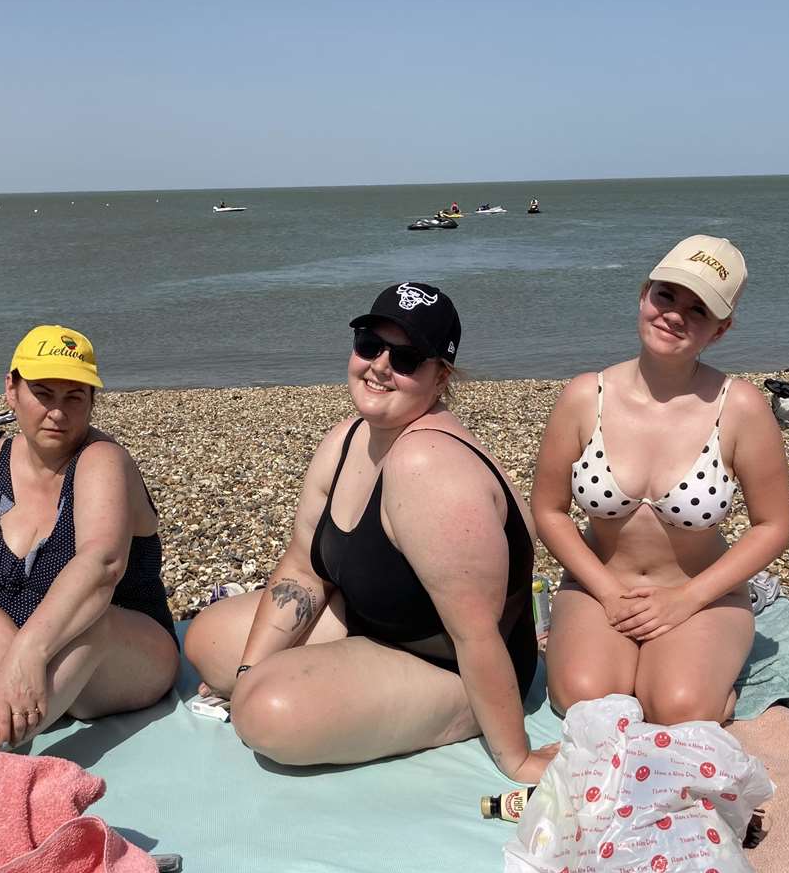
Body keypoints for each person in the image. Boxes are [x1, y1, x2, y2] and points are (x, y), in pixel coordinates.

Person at [184, 283, 556, 782]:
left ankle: (464, 712)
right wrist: (247, 671)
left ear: (440, 377)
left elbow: (477, 633)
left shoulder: (429, 464)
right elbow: (301, 566)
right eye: (369, 344)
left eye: (405, 358)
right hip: (374, 620)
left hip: (453, 663)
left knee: (268, 715)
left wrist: (517, 757)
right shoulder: (348, 438)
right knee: (210, 643)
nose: (380, 365)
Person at [530, 236, 789, 725]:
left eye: (699, 310)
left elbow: (774, 525)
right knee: (586, 703)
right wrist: (605, 590)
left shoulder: (739, 407)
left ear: (720, 330)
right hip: (600, 586)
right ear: (643, 294)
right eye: (666, 295)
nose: (675, 315)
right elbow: (548, 510)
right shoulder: (585, 396)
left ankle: (706, 684)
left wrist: (687, 600)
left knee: (676, 708)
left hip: (702, 593)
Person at [0, 325, 179, 750]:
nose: (57, 413)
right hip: (19, 646)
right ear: (12, 389)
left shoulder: (101, 461)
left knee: (93, 628)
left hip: (121, 656)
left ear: (92, 402)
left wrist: (30, 651)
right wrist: (6, 641)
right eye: (43, 393)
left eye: (74, 397)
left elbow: (101, 564)